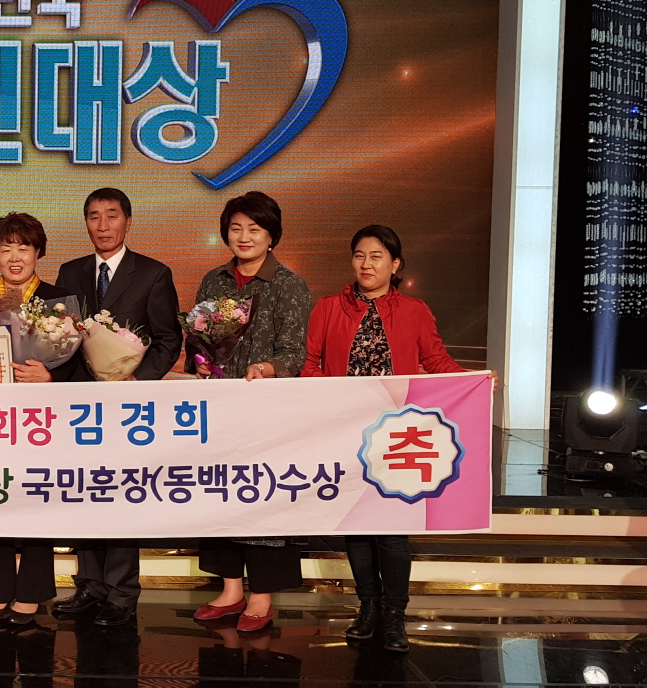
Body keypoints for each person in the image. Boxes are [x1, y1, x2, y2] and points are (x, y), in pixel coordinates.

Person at [302, 224, 467, 653]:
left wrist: (474, 380)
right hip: (344, 428)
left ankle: (395, 615)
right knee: (357, 525)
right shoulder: (327, 308)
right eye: (359, 255)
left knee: (393, 530)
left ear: (395, 265)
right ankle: (368, 608)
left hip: (397, 434)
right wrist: (333, 398)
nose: (366, 264)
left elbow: (435, 359)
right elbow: (310, 363)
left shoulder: (414, 310)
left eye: (376, 256)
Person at [51, 188, 182, 628]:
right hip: (81, 404)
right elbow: (63, 337)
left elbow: (168, 339)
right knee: (84, 492)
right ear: (85, 223)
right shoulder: (70, 272)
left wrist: (136, 381)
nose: (103, 225)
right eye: (94, 216)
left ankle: (122, 593)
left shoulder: (153, 273)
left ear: (127, 221)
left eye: (111, 216)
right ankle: (90, 586)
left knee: (122, 492)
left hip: (129, 405)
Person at [189, 191, 311, 633]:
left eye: (254, 229)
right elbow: (198, 338)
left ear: (271, 236)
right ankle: (230, 590)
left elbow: (295, 352)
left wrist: (268, 368)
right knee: (220, 491)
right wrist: (200, 363)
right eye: (236, 228)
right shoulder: (215, 280)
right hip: (220, 407)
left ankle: (260, 596)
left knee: (261, 496)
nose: (244, 237)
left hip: (267, 410)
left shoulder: (288, 285)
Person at [0, 213, 72, 625]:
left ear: (38, 252)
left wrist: (50, 375)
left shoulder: (60, 297)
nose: (15, 256)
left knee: (39, 496)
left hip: (43, 418)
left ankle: (33, 590)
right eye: (6, 248)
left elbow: (79, 363)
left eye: (23, 247)